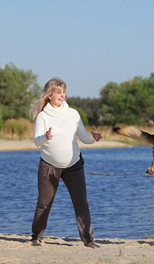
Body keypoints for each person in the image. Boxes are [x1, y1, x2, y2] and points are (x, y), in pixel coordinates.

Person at [28, 77, 102, 249]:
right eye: (59, 91)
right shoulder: (43, 117)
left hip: (73, 166)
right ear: (49, 95)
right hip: (49, 166)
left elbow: (83, 137)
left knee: (81, 202)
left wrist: (93, 138)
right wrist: (45, 137)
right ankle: (36, 236)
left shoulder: (73, 114)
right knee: (44, 203)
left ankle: (88, 239)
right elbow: (36, 142)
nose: (63, 95)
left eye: (64, 91)